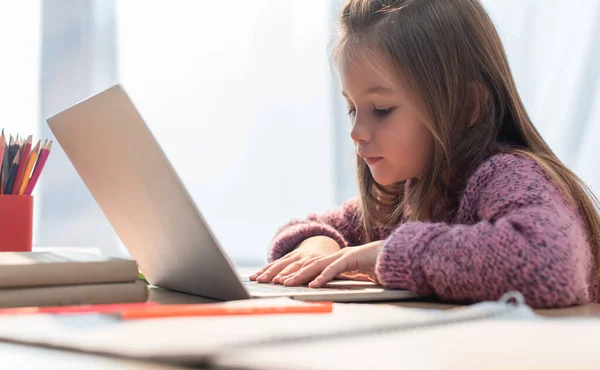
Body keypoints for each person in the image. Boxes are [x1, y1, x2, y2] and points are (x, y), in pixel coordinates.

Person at [250, 0, 600, 308]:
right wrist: (318, 246)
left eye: (382, 109)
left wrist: (388, 255)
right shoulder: (405, 191)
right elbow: (310, 229)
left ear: (467, 107)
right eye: (352, 109)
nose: (356, 132)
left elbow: (550, 262)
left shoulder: (509, 175)